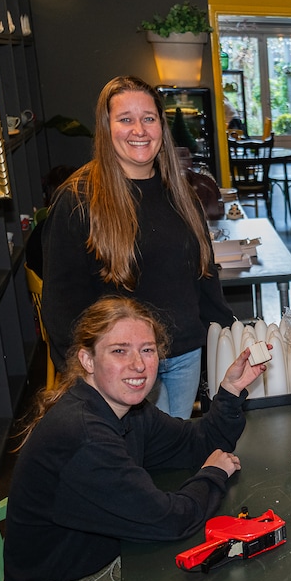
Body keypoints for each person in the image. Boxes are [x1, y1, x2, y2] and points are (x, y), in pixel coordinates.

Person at [3, 296, 265, 581]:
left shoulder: (126, 409)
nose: (138, 365)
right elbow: (168, 521)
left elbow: (198, 443)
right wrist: (212, 475)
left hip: (101, 554)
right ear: (87, 359)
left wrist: (230, 391)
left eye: (147, 350)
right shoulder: (85, 436)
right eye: (119, 351)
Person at [42, 75, 234, 420]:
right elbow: (61, 304)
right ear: (106, 127)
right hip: (122, 368)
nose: (139, 130)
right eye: (125, 119)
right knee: (134, 465)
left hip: (184, 356)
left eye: (148, 118)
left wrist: (233, 336)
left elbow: (204, 278)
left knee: (176, 458)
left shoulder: (181, 193)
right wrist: (84, 375)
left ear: (161, 125)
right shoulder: (79, 199)